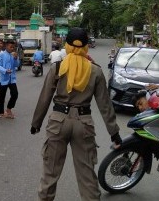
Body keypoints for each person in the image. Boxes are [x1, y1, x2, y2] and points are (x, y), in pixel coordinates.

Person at [30, 27, 121, 201]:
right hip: (83, 123)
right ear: (86, 46)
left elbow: (45, 98)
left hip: (58, 122)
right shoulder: (95, 70)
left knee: (50, 173)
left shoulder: (58, 67)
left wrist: (36, 123)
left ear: (68, 45)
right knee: (87, 174)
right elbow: (105, 105)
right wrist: (114, 132)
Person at [0, 39, 20, 119]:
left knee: (15, 94)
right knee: (2, 96)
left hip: (12, 79)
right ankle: (1, 112)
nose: (12, 49)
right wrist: (5, 70)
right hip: (3, 79)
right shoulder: (1, 55)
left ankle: (9, 109)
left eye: (13, 47)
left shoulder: (13, 55)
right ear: (6, 46)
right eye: (11, 47)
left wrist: (16, 58)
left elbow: (17, 65)